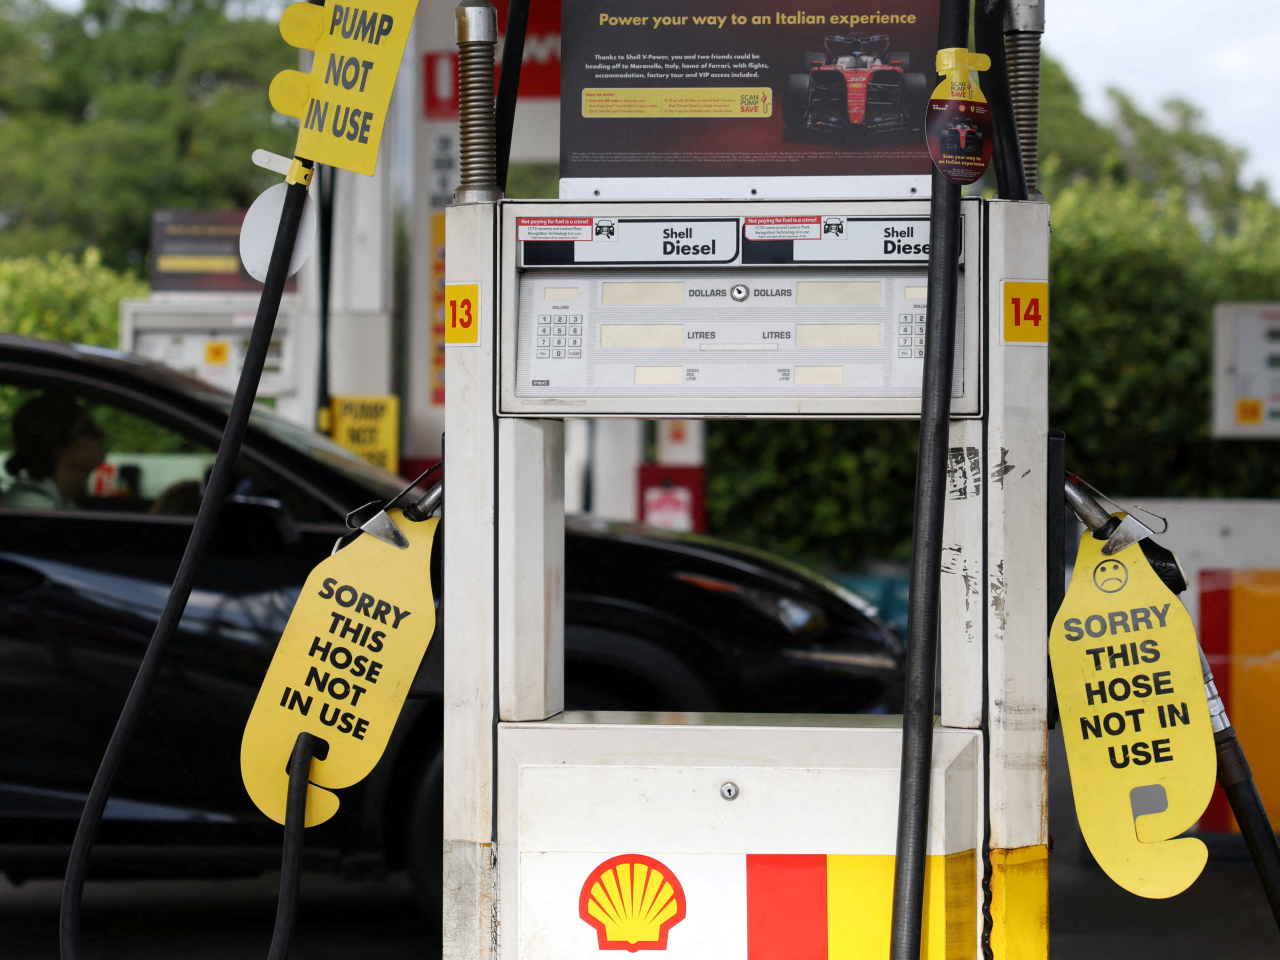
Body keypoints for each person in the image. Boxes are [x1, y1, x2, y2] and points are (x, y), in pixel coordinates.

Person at [2, 393, 105, 510]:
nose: (102, 434)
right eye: (89, 429)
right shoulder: (36, 506)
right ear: (60, 452)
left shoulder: (56, 501)